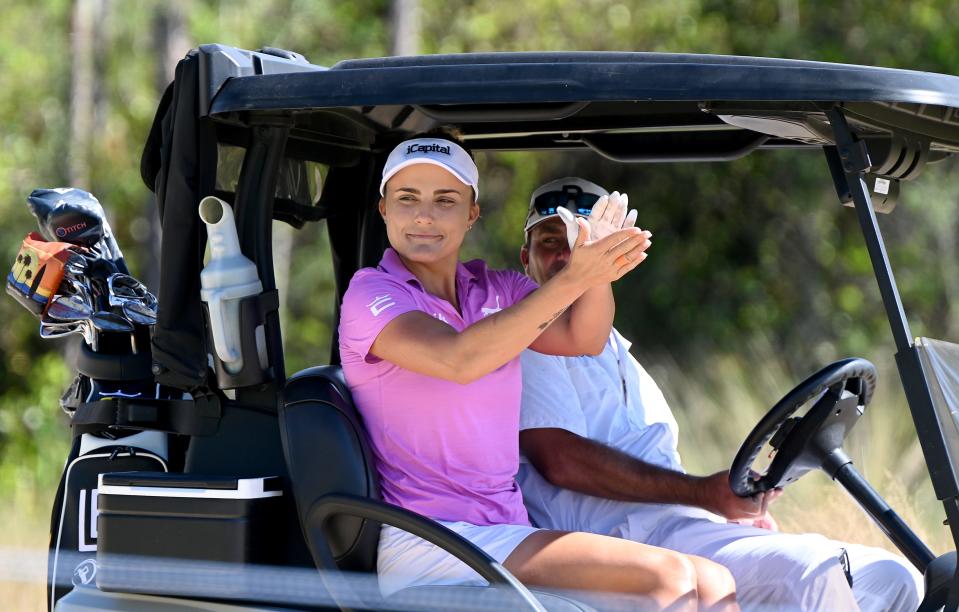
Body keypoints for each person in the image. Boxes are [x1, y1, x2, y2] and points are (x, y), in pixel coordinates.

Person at [338, 132, 741, 609]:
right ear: (384, 209)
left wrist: (597, 267)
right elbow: (459, 359)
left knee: (713, 580)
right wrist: (575, 277)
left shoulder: (495, 288)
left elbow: (581, 338)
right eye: (407, 199)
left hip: (505, 530)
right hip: (431, 539)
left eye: (445, 200)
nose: (424, 215)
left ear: (472, 213)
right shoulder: (371, 295)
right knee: (667, 577)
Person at [517, 177, 926, 611]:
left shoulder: (619, 352)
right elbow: (558, 460)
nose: (566, 255)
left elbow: (653, 464)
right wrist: (701, 493)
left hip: (686, 528)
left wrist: (722, 505)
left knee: (892, 578)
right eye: (549, 240)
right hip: (625, 543)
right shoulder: (527, 341)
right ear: (526, 258)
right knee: (813, 572)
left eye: (583, 241)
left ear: (614, 254)